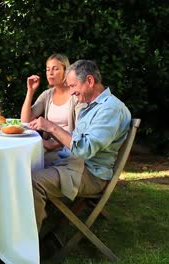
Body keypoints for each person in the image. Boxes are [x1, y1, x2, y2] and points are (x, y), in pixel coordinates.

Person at [28, 60, 131, 230]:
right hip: (75, 163)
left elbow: (84, 149)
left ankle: (28, 248)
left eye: (73, 86)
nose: (72, 92)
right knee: (26, 165)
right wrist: (52, 142)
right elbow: (76, 140)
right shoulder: (91, 107)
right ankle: (18, 231)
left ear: (89, 81)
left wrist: (51, 127)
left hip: (90, 174)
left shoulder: (110, 109)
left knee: (33, 181)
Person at [21, 54, 84, 159]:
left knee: (29, 162)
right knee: (22, 156)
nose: (50, 73)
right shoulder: (47, 95)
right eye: (48, 69)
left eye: (55, 69)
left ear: (66, 71)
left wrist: (52, 145)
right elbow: (25, 120)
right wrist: (30, 91)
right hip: (47, 146)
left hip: (66, 149)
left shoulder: (75, 95)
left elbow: (80, 132)